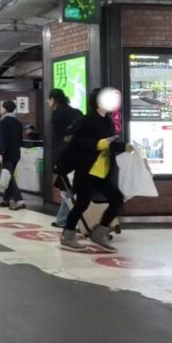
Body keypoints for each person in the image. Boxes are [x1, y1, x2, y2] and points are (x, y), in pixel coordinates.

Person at [59, 87, 126, 253]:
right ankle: (68, 236)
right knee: (82, 202)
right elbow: (74, 140)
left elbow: (108, 143)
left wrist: (125, 146)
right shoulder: (87, 119)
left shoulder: (108, 120)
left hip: (102, 171)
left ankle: (100, 232)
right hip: (86, 170)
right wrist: (96, 144)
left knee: (117, 198)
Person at [49, 89, 83, 228]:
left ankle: (65, 220)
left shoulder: (57, 114)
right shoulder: (77, 112)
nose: (48, 102)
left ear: (53, 100)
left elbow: (58, 138)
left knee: (66, 189)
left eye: (49, 99)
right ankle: (62, 219)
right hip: (79, 155)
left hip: (64, 155)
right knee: (71, 187)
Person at [0, 101, 25, 210]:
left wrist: (0, 153)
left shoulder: (4, 121)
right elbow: (20, 139)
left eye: (1, 107)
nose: (0, 109)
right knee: (8, 175)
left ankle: (19, 199)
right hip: (16, 153)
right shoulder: (18, 122)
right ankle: (6, 199)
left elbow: (3, 139)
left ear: (5, 109)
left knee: (8, 177)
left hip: (7, 153)